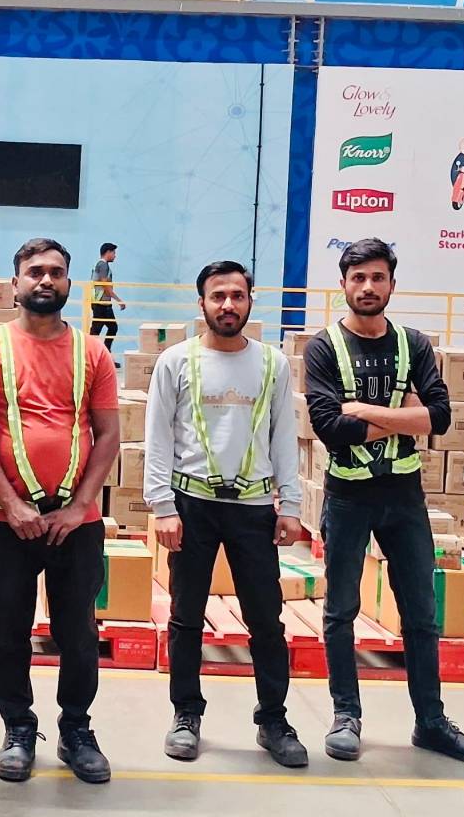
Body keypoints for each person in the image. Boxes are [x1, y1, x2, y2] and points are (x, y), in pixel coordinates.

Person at [303, 239, 464, 767]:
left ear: (392, 283)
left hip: (404, 496)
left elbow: (440, 418)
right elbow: (329, 429)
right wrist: (402, 412)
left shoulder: (414, 344)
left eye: (378, 278)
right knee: (341, 610)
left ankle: (430, 723)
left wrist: (362, 407)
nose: (368, 287)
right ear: (343, 284)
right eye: (358, 278)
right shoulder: (324, 348)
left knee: (421, 614)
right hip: (348, 496)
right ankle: (346, 715)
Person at [0, 238, 122, 785]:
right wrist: (11, 504)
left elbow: (107, 436)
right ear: (16, 284)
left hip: (75, 525)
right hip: (5, 523)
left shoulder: (93, 354)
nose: (45, 280)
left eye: (56, 272)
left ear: (69, 283)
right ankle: (18, 727)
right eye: (35, 272)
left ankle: (77, 728)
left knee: (77, 631)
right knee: (10, 631)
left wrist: (80, 506)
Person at [144, 260, 308, 768]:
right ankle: (186, 714)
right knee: (186, 616)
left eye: (237, 295)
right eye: (218, 296)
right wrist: (162, 507)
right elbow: (158, 439)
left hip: (255, 508)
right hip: (191, 506)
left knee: (266, 619)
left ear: (250, 301)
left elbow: (284, 436)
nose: (228, 305)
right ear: (202, 304)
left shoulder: (273, 364)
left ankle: (274, 720)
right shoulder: (176, 362)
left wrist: (292, 503)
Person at [89, 243, 125, 353]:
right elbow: (105, 285)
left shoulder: (100, 265)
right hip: (101, 303)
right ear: (108, 252)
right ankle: (92, 354)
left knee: (111, 327)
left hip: (102, 302)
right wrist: (119, 300)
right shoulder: (103, 265)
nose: (115, 256)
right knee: (97, 330)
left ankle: (105, 354)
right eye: (113, 253)